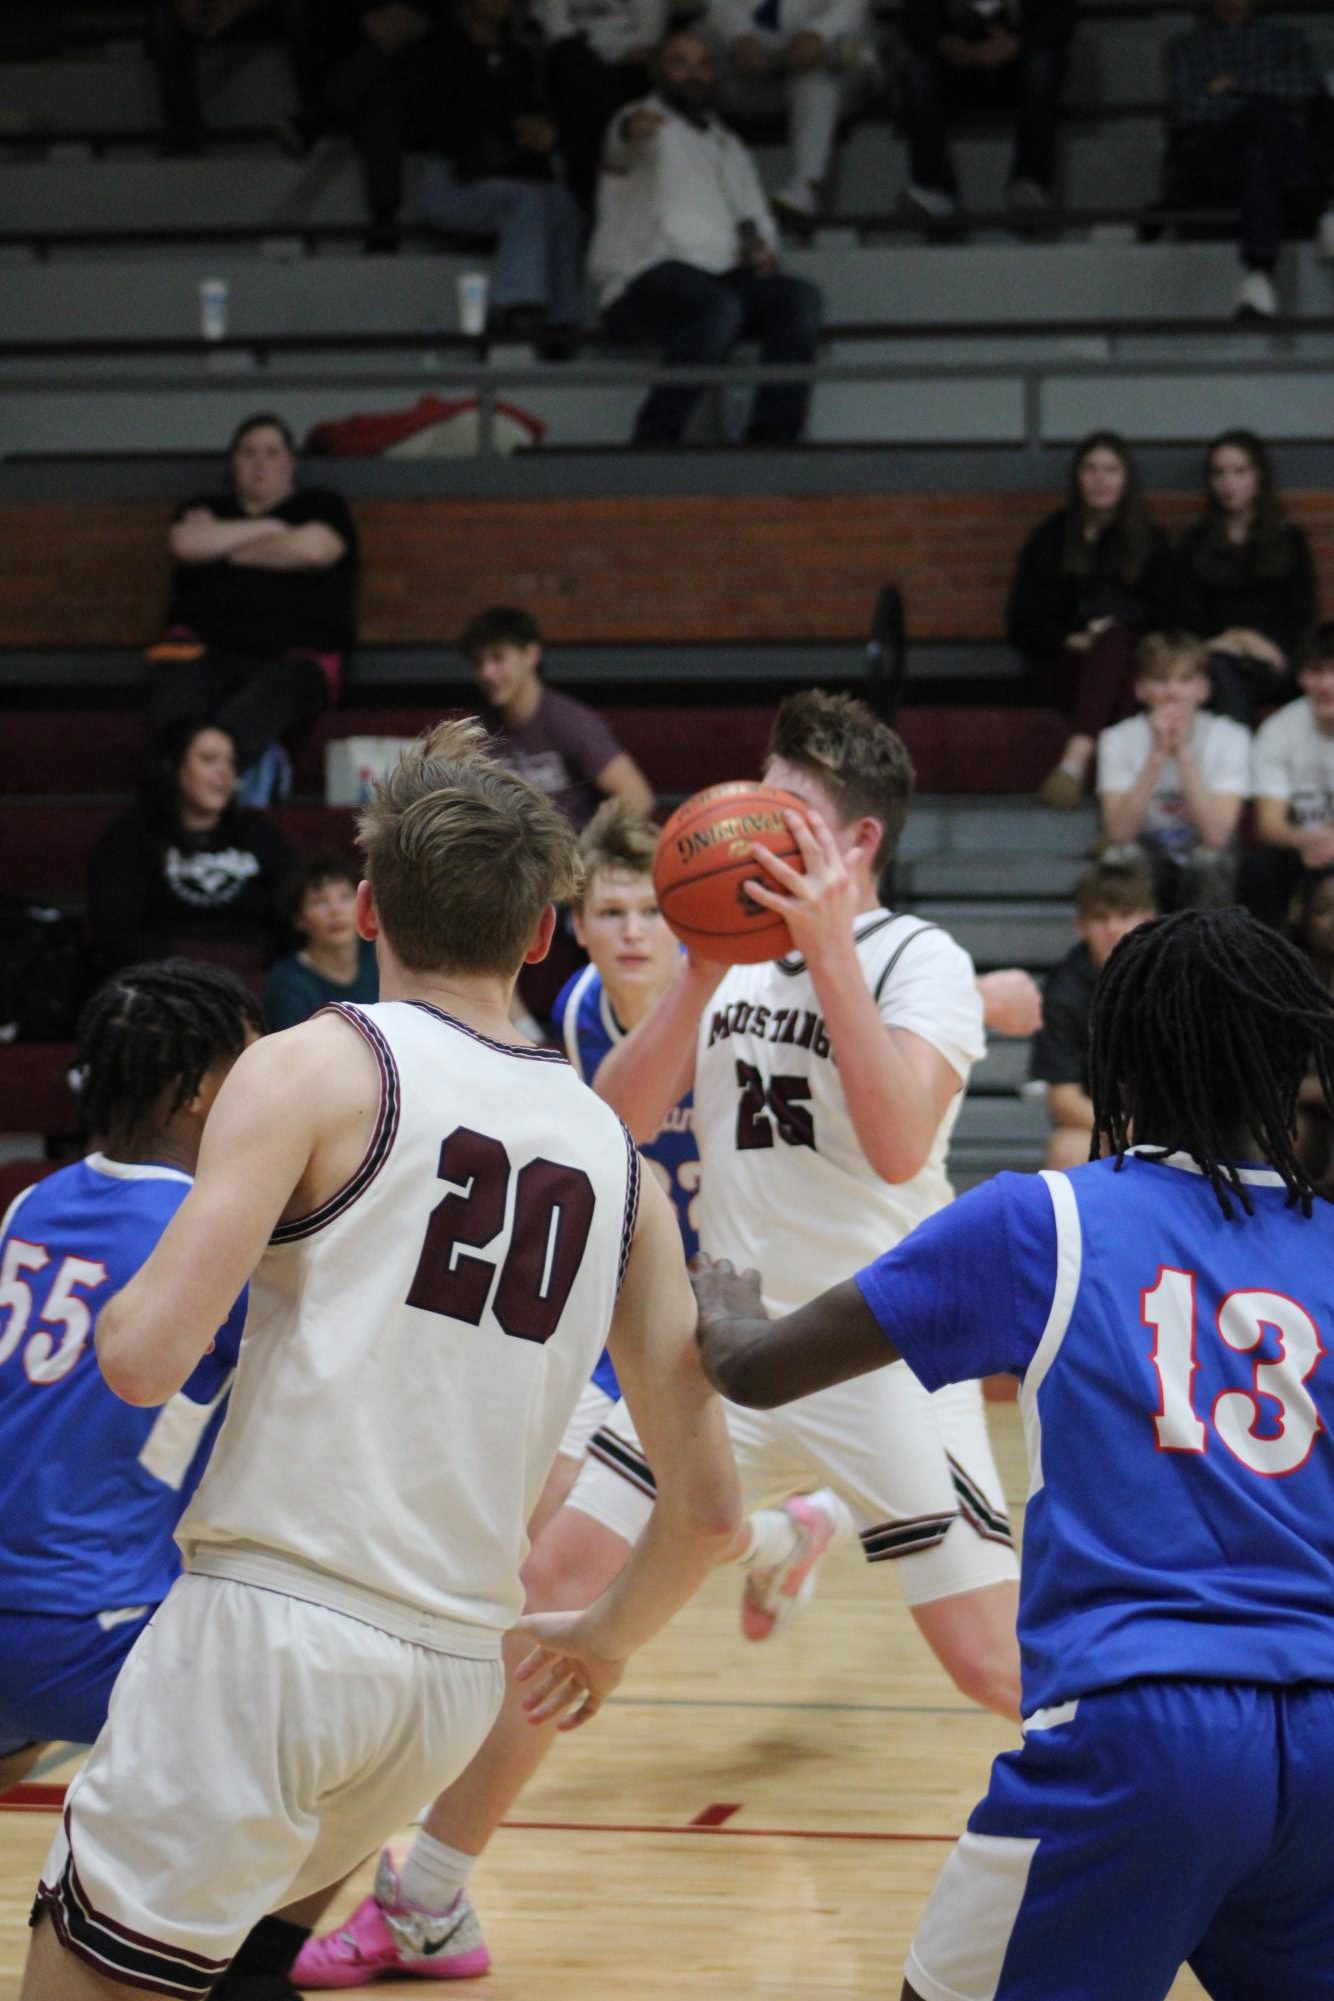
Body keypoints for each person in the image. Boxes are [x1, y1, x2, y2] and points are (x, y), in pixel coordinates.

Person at [21, 721, 740, 2001]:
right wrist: (597, 1638)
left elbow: (138, 1362)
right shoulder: (619, 1167)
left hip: (269, 1637)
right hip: (450, 1681)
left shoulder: (311, 1065)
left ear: (364, 909)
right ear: (539, 935)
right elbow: (710, 1511)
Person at [689, 904, 1334, 2001]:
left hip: (1144, 1727)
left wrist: (722, 1289)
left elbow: (752, 1372)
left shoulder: (1044, 1222)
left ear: (1120, 1058)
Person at [0, 960, 260, 1795]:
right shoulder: (211, 1238)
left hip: (20, 1607)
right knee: (323, 1771)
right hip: (94, 1625)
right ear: (192, 1094)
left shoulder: (29, 1205)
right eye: (244, 1072)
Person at [590, 27, 825, 447]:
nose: (693, 74)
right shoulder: (643, 120)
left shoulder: (727, 143)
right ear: (658, 71)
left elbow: (754, 214)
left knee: (800, 299)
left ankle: (771, 438)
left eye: (702, 64)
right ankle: (653, 439)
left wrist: (763, 248)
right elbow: (619, 148)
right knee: (718, 307)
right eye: (680, 63)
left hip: (722, 274)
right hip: (644, 276)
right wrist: (631, 130)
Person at [152, 413, 358, 778]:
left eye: (271, 452)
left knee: (261, 704)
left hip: (297, 654)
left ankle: (204, 785)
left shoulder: (321, 506)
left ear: (290, 463)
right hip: (201, 648)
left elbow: (314, 551)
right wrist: (271, 529)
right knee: (177, 704)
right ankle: (186, 784)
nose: (260, 462)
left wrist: (220, 543)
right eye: (248, 452)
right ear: (233, 463)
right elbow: (184, 544)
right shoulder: (203, 508)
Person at [1006, 431, 1173, 808]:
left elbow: (1168, 617)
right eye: (1091, 469)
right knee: (1115, 674)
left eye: (1111, 470)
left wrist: (1116, 632)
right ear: (1077, 477)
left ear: (1126, 478)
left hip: (1133, 666)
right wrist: (1071, 639)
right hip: (1064, 667)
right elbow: (1022, 621)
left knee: (1115, 647)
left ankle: (1075, 759)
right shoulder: (1051, 538)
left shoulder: (1149, 541)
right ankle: (1129, 804)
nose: (1100, 480)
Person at [414, 0, 587, 337]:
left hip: (511, 170)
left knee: (564, 204)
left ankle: (562, 319)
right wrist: (510, 127)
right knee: (528, 202)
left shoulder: (520, 56)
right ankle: (514, 309)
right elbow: (437, 123)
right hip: (453, 176)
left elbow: (535, 110)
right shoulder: (438, 51)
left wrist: (541, 130)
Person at [86, 721, 295, 979]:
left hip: (254, 975)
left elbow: (293, 912)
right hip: (162, 979)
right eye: (209, 760)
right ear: (173, 766)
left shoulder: (261, 834)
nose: (224, 773)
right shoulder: (131, 835)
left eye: (230, 763)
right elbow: (116, 930)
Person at [1165, 0, 1325, 321]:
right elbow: (1190, 110)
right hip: (1214, 157)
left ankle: (1259, 275)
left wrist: (1233, 84)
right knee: (1260, 115)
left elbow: (1303, 90)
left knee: (1259, 152)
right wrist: (1260, 94)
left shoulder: (1287, 38)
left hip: (1269, 158)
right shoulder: (1185, 47)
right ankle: (1317, 207)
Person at [1171, 428, 1318, 725]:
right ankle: (1240, 763)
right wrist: (1235, 639)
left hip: (1274, 659)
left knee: (1231, 677)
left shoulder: (1289, 539)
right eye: (1219, 474)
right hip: (1214, 655)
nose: (1229, 483)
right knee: (1222, 671)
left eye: (1240, 471)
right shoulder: (1194, 542)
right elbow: (1184, 615)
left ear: (1259, 476)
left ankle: (1234, 762)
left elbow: (1302, 613)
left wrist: (1263, 646)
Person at [1097, 629, 1251, 911]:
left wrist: (1182, 755)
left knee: (1210, 859)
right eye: (1160, 680)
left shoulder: (1231, 737)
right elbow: (1119, 833)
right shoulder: (1117, 739)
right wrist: (1157, 755)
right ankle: (1138, 951)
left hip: (1204, 863)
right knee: (1121, 857)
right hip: (1149, 858)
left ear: (1203, 689)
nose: (1172, 692)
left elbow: (1216, 836)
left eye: (1184, 680)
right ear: (1140, 689)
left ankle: (1206, 951)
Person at [463, 605, 653, 827]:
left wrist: (591, 850)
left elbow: (638, 797)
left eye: (498, 658)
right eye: (479, 663)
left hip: (570, 852)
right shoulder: (476, 729)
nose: (487, 673)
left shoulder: (569, 721)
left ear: (530, 655)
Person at [279, 0, 442, 249]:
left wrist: (412, 23)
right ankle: (384, 218)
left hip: (425, 84)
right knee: (381, 92)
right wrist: (367, 24)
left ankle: (314, 122)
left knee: (380, 79)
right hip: (367, 84)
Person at [896, 0, 1075, 223]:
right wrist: (945, 43)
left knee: (1044, 63)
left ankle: (1029, 182)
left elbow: (1062, 20)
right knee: (916, 69)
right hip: (957, 65)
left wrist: (1015, 44)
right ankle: (934, 188)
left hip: (1017, 63)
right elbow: (912, 19)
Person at [1028, 859, 1156, 1171]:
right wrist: (1137, 1131)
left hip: (1176, 1120)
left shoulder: (1178, 975)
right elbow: (1064, 1101)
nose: (1113, 929)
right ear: (1080, 925)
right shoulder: (1063, 993)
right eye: (1100, 918)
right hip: (1107, 1125)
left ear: (1148, 920)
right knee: (1068, 1148)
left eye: (1124, 916)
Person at [707, 0, 876, 228]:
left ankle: (804, 189)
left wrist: (819, 34)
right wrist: (739, 36)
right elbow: (720, 7)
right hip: (749, 75)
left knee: (816, 80)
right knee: (691, 60)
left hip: (829, 69)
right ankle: (701, 197)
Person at [1241, 623, 1334, 928]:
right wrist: (1306, 842)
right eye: (1316, 671)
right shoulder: (1279, 729)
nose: (1326, 684)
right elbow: (1268, 825)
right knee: (1259, 868)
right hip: (1303, 849)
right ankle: (1268, 965)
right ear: (1301, 675)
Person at [536, 0, 666, 210]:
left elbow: (649, 35)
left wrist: (611, 52)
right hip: (579, 63)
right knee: (571, 63)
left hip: (627, 69)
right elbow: (557, 30)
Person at [263, 854, 378, 1030]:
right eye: (319, 902)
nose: (335, 910)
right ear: (299, 918)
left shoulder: (382, 956)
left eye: (345, 897)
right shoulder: (288, 983)